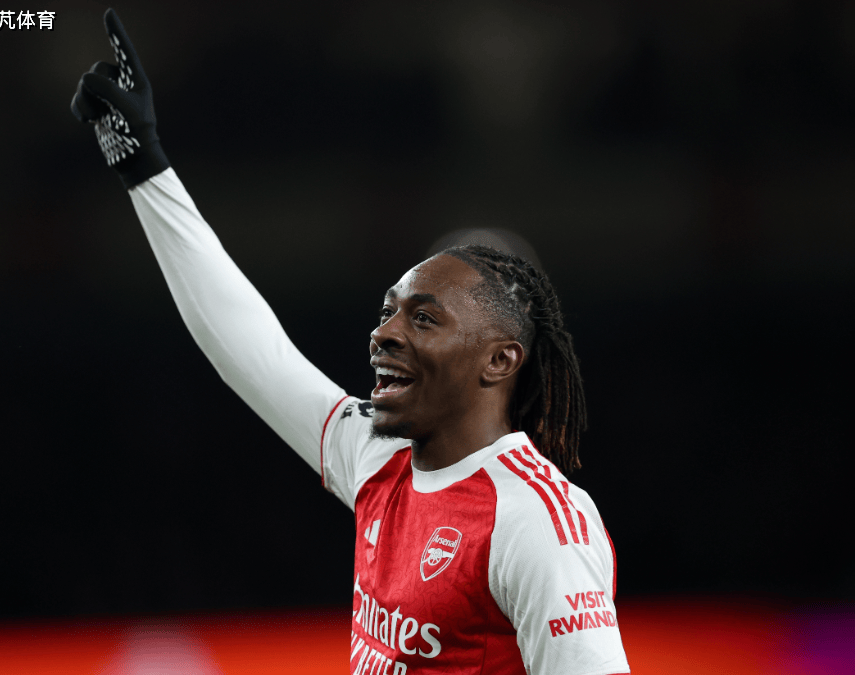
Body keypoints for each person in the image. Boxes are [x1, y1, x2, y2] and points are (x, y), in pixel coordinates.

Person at [71, 10, 630, 674]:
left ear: (498, 360)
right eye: (388, 313)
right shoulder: (377, 456)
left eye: (423, 319)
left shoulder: (536, 523)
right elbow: (250, 348)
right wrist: (145, 169)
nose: (384, 333)